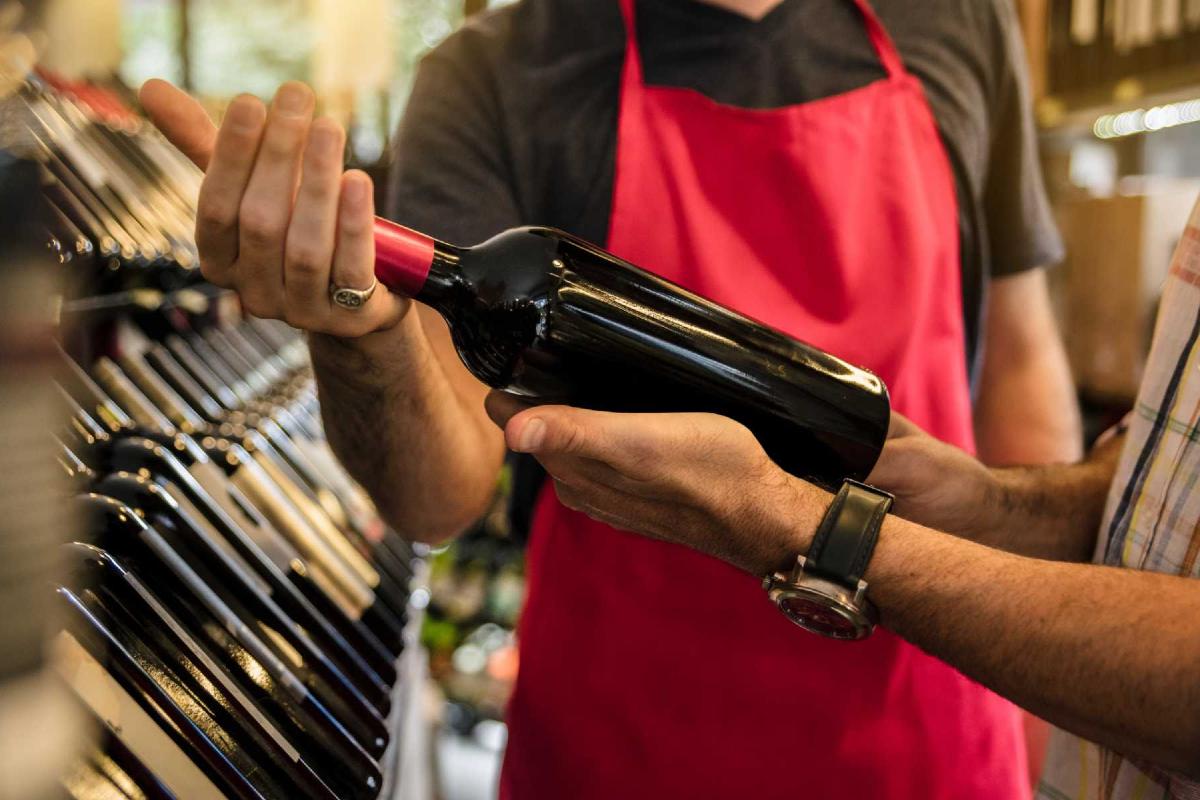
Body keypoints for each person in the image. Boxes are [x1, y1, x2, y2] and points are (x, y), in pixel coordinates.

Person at [140, 0, 1082, 795]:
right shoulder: (494, 73)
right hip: (630, 741)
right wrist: (359, 336)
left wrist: (1058, 706)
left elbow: (1021, 373)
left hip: (930, 726)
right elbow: (438, 493)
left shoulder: (959, 19)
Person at [479, 194, 1200, 799]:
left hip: (915, 733)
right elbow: (1162, 488)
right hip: (626, 734)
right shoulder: (514, 66)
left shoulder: (963, 26)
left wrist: (804, 526)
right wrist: (984, 502)